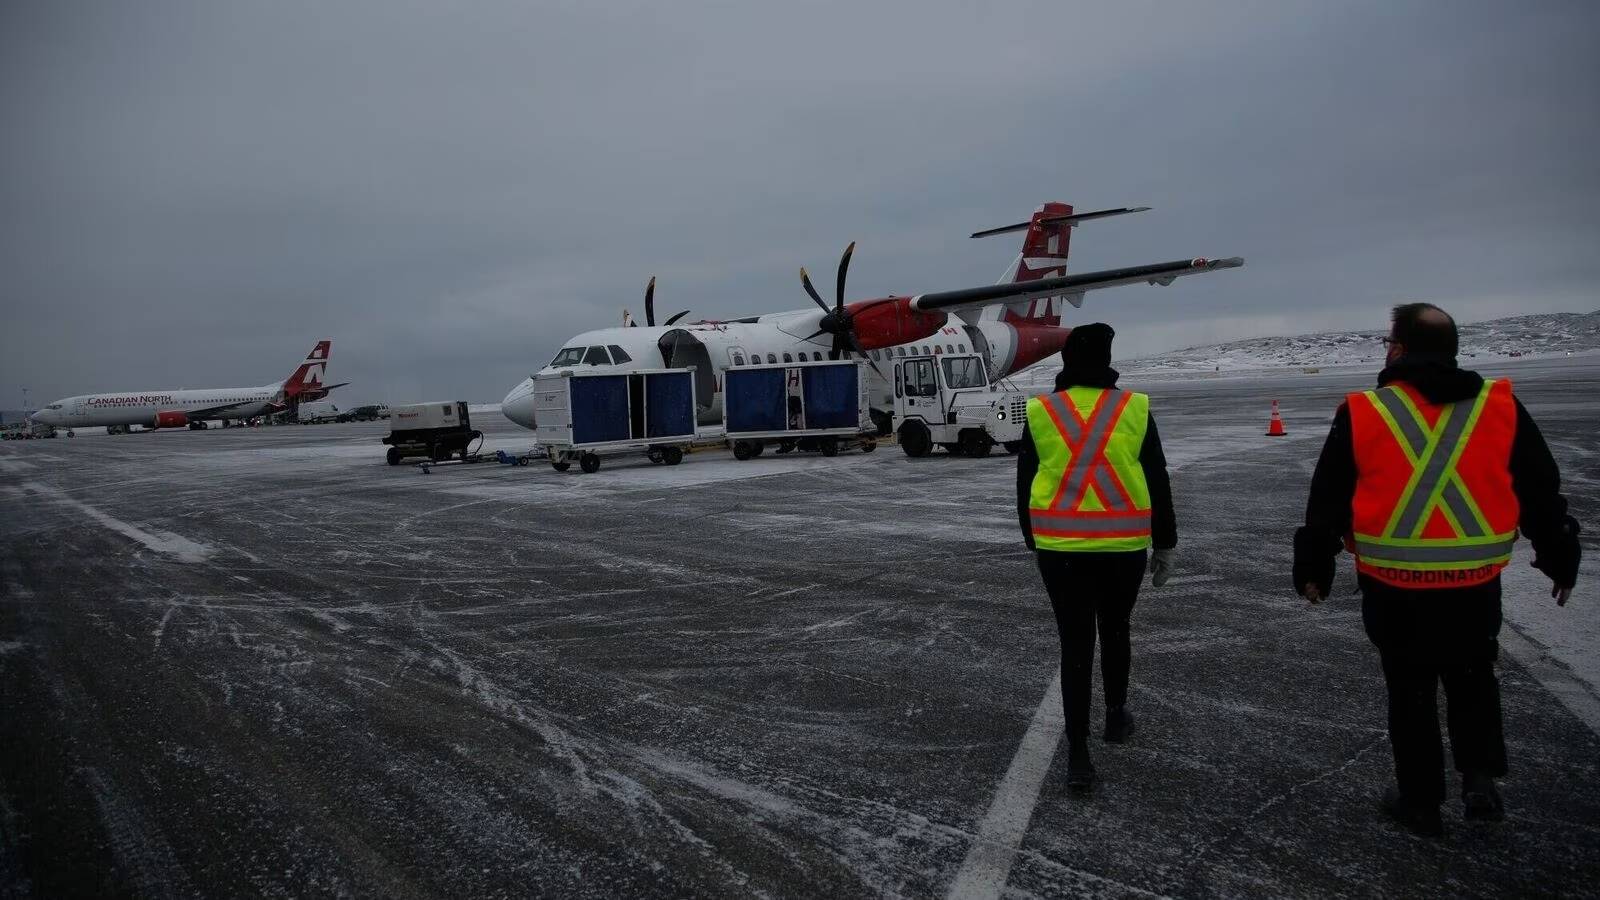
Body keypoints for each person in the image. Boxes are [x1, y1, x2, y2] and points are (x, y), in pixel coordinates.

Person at [1293, 303, 1581, 836]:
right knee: (1473, 676)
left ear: (1398, 350)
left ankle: (1421, 800)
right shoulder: (1499, 406)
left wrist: (1314, 565)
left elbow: (1328, 499)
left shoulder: (1364, 411)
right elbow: (1540, 488)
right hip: (1474, 582)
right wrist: (1559, 554)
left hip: (1394, 584)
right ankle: (1479, 779)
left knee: (1410, 691)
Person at [1016, 323, 1177, 794]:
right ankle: (1115, 714)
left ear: (1066, 360)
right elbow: (1159, 478)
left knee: (1075, 644)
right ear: (1108, 358)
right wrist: (1165, 541)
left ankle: (1079, 755)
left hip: (1061, 550)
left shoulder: (1042, 410)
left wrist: (1034, 538)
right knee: (1116, 629)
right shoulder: (1135, 408)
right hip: (1122, 547)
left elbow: (1025, 482)